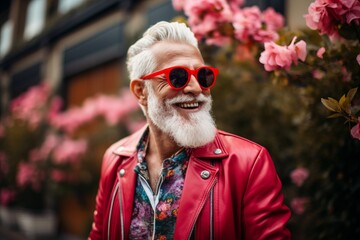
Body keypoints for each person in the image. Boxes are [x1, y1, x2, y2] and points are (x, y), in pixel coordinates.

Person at [89, 21, 291, 240]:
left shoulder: (250, 163)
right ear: (141, 91)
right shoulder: (114, 158)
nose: (196, 89)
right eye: (178, 76)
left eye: (203, 76)